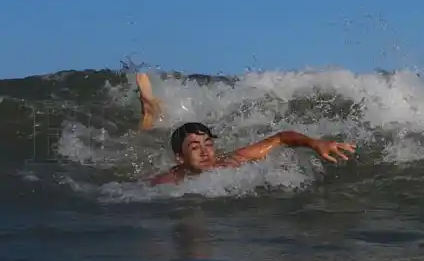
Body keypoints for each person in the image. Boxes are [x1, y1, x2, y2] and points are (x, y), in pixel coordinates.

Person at [134, 72, 356, 186]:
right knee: (142, 141)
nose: (205, 152)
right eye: (194, 147)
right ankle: (149, 114)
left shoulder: (229, 162)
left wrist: (315, 143)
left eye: (208, 144)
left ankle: (150, 111)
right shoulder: (170, 180)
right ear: (180, 158)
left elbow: (280, 138)